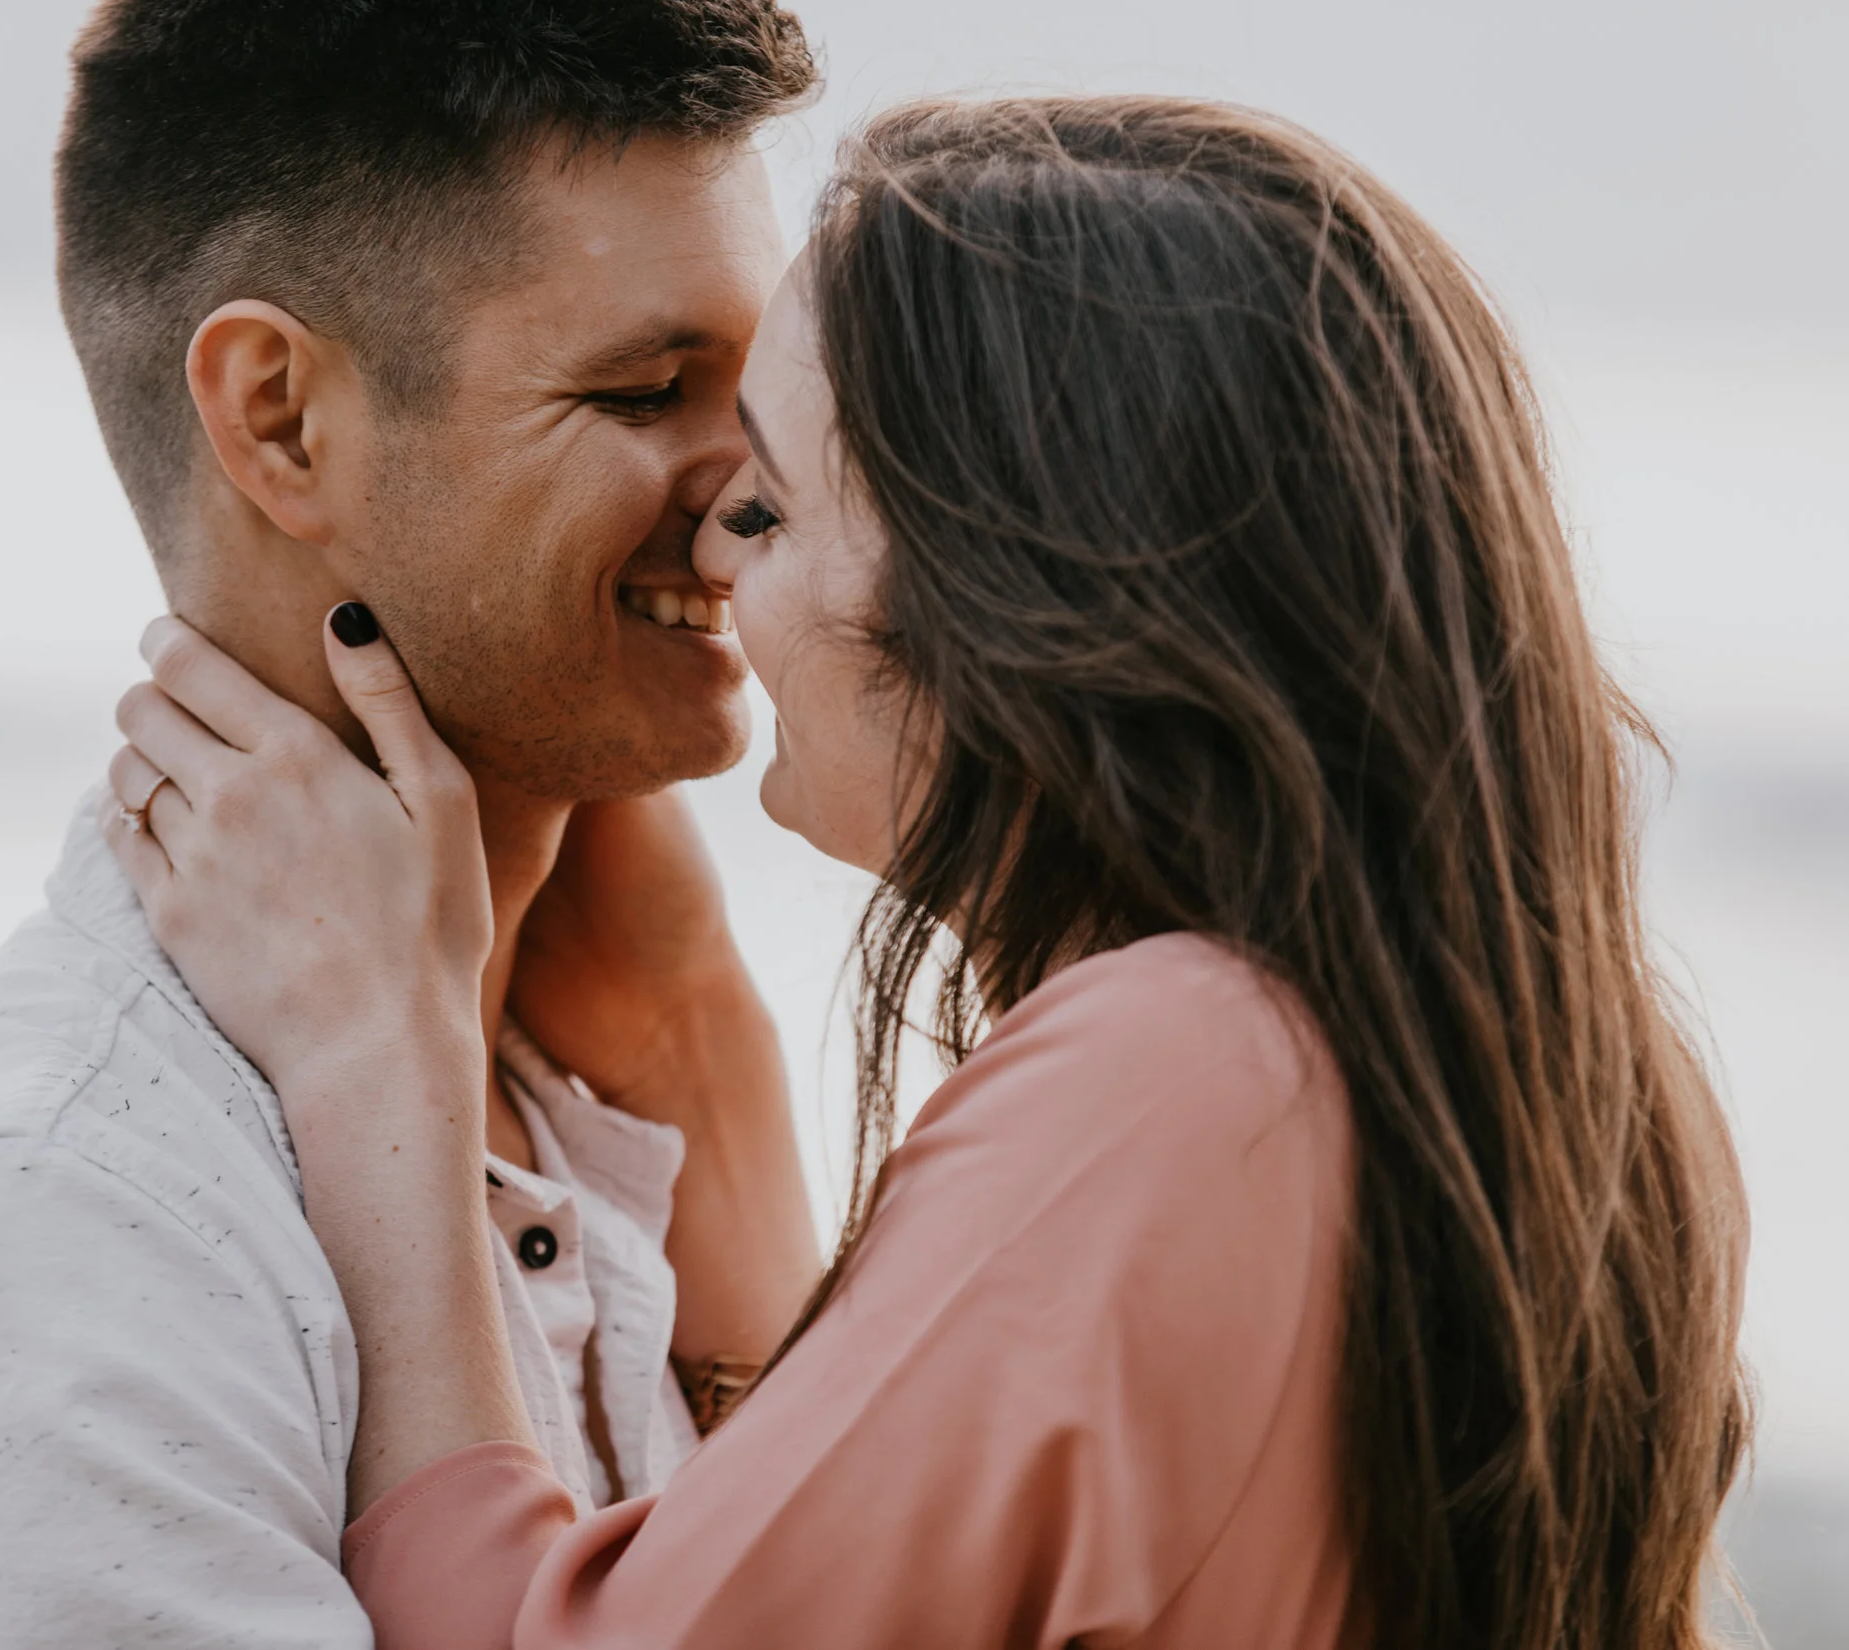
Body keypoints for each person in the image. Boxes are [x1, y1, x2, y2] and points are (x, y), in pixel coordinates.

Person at [106, 96, 1756, 1649]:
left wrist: (379, 1059)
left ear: (1026, 588)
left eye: (771, 504)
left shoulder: (1178, 1077)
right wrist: (705, 1059)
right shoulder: (1560, 1085)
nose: (708, 555)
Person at [0, 0, 822, 1646]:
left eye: (767, 378)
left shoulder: (587, 1090)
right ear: (280, 417)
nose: (767, 486)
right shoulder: (68, 1226)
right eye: (649, 389)